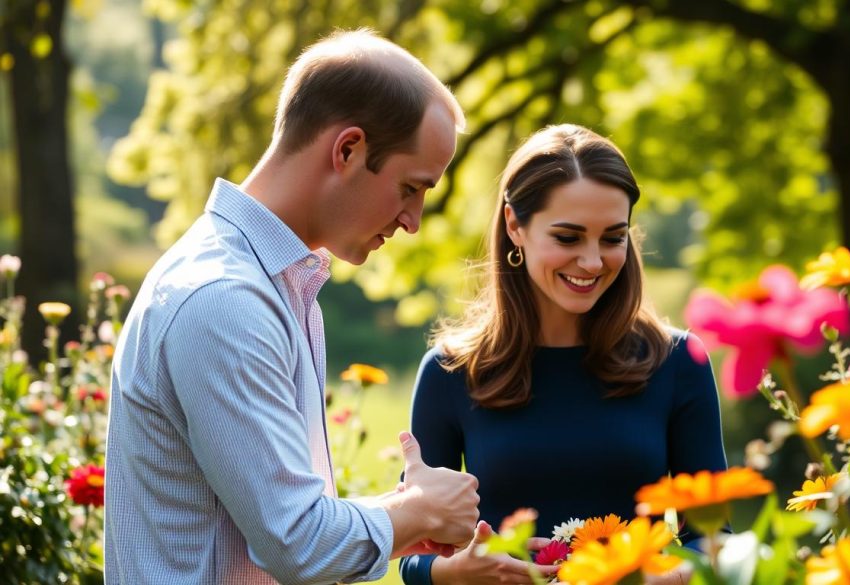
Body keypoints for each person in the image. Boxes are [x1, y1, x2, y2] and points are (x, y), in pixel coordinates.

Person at [105, 29, 480, 585]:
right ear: (348, 150)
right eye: (410, 188)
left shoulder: (270, 284)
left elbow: (280, 527)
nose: (413, 220)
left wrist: (399, 523)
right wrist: (417, 510)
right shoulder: (225, 299)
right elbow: (298, 544)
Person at [399, 124, 728, 585]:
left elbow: (717, 539)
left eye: (613, 238)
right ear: (515, 225)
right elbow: (413, 559)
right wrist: (458, 572)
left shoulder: (676, 361)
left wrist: (655, 580)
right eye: (569, 238)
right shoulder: (450, 371)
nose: (593, 262)